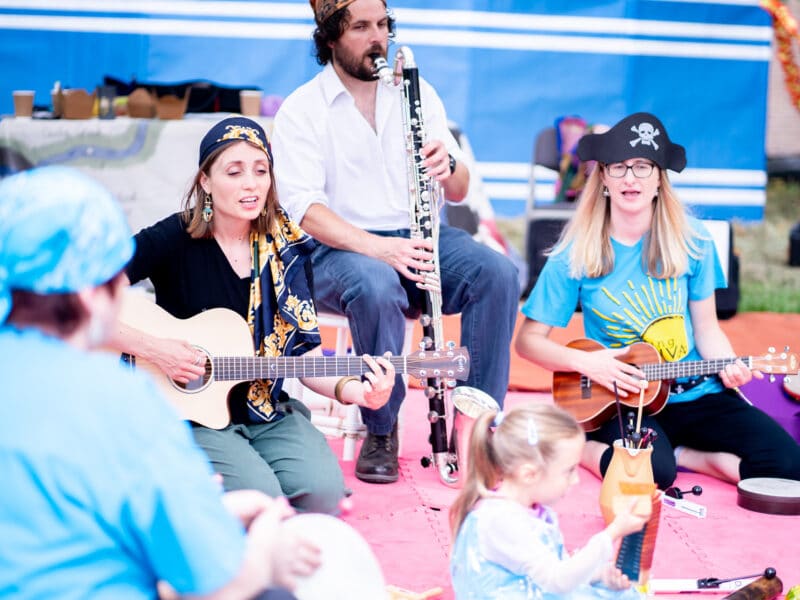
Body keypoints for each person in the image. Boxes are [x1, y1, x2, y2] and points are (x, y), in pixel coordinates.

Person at [0, 166, 321, 599]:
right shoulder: (124, 405)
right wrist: (267, 552)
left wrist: (215, 509)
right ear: (96, 295)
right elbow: (219, 584)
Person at [270, 0, 520, 484]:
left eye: (382, 25)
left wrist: (447, 167)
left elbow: (462, 188)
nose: (377, 37)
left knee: (497, 273)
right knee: (376, 282)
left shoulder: (416, 90)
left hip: (418, 234)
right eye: (361, 27)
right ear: (330, 39)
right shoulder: (304, 109)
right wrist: (379, 248)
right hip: (334, 248)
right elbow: (304, 212)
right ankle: (381, 427)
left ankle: (479, 426)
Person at [109, 115, 397, 514]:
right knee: (259, 500)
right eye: (234, 171)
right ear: (206, 181)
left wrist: (361, 393)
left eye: (261, 170)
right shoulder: (174, 237)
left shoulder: (288, 251)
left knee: (323, 496)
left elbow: (304, 360)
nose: (251, 183)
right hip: (191, 415)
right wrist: (155, 349)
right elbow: (79, 296)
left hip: (266, 411)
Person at [515, 112, 800, 489]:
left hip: (696, 392)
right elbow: (527, 342)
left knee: (787, 465)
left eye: (642, 167)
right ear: (602, 178)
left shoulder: (693, 241)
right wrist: (587, 363)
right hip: (622, 399)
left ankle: (687, 455)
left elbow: (708, 329)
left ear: (659, 180)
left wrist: (729, 365)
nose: (630, 178)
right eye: (618, 167)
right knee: (651, 474)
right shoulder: (576, 253)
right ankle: (579, 443)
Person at [449, 403, 647, 599]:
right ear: (529, 474)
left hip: (539, 589)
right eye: (569, 471)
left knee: (621, 594)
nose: (576, 480)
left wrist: (602, 576)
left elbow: (559, 569)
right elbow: (557, 580)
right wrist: (611, 533)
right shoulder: (501, 520)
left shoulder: (530, 510)